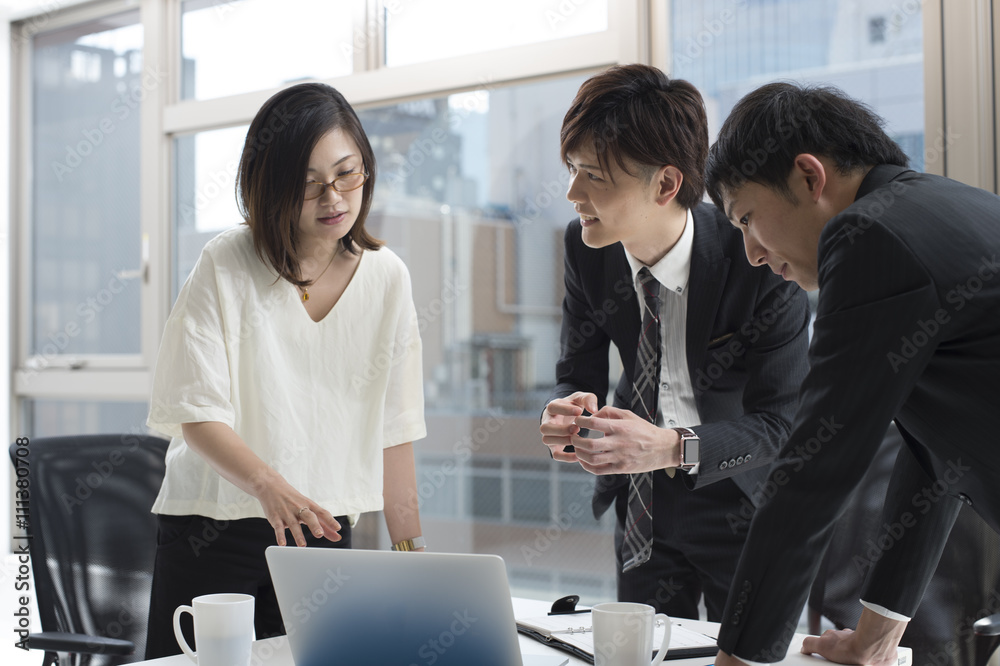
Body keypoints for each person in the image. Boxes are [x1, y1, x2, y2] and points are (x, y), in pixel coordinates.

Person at [704, 81, 1000, 666]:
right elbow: (934, 457)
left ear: (809, 177)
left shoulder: (867, 236)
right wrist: (875, 638)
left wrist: (738, 658)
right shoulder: (949, 208)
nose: (753, 255)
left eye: (746, 219)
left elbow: (813, 470)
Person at [143, 82, 427, 658]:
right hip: (214, 523)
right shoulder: (227, 262)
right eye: (308, 184)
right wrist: (269, 487)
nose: (334, 197)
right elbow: (196, 412)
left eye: (347, 174)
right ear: (270, 186)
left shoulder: (387, 275)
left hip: (321, 531)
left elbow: (395, 430)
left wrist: (412, 560)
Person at [539, 64, 810, 620]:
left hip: (743, 496)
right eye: (571, 170)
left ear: (665, 184)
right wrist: (569, 404)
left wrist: (668, 446)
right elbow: (577, 368)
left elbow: (782, 425)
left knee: (746, 657)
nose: (572, 193)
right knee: (640, 655)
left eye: (593, 176)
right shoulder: (586, 247)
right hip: (640, 500)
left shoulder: (756, 259)